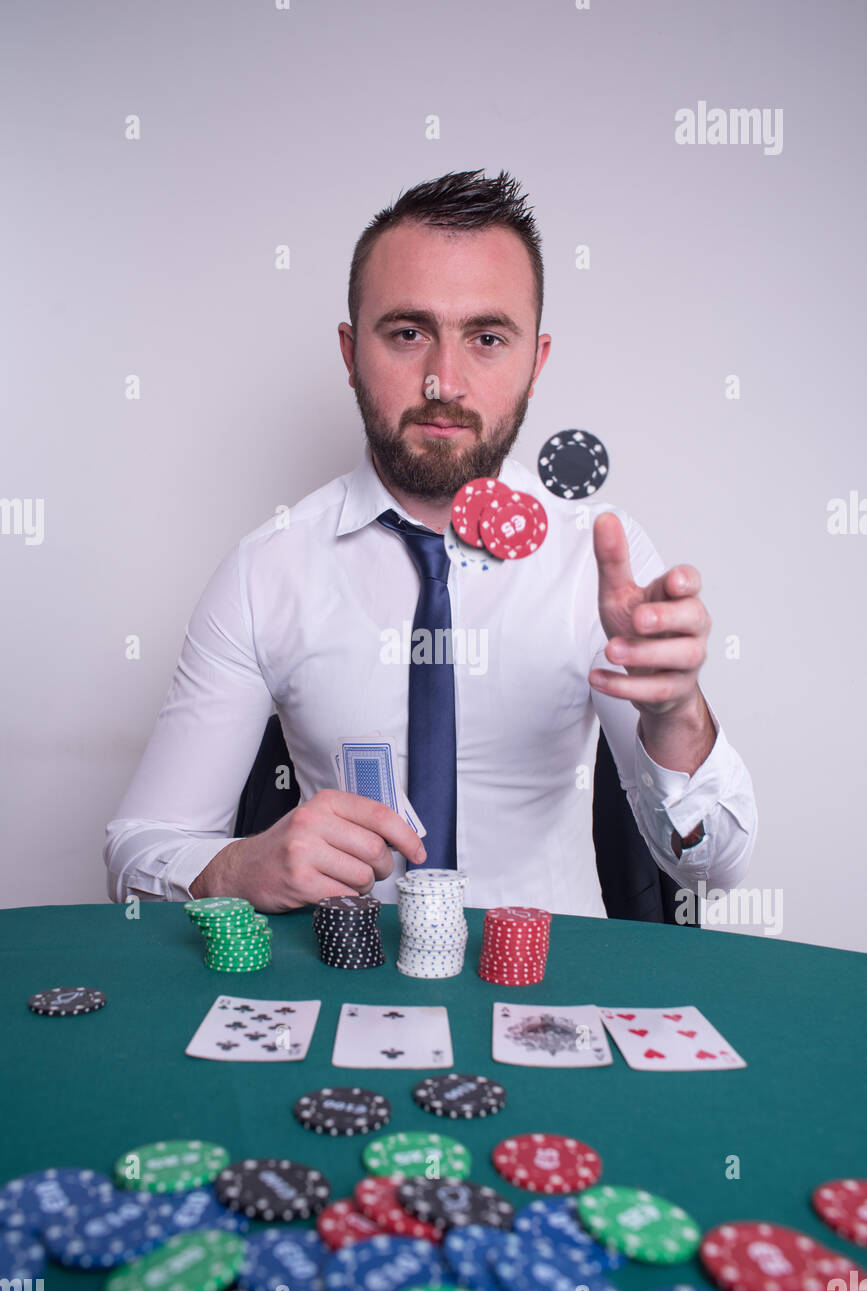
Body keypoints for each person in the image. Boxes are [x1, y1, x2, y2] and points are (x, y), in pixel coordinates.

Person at [105, 169, 756, 917]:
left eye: (486, 338)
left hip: (549, 999)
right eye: (408, 333)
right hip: (342, 992)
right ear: (350, 354)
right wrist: (235, 867)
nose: (443, 381)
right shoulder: (267, 570)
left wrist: (677, 715)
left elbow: (715, 871)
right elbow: (136, 850)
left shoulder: (598, 556)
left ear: (535, 363)